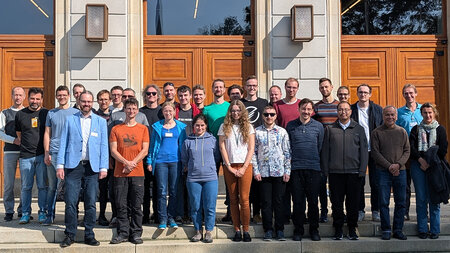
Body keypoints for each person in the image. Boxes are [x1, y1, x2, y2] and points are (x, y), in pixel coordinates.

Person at [56, 91, 108, 248]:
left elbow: (104, 146)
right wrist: (60, 165)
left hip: (92, 168)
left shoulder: (100, 122)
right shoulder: (70, 120)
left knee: (91, 202)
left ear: (93, 103)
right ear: (79, 102)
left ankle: (89, 234)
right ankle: (70, 234)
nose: (86, 104)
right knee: (71, 202)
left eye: (89, 102)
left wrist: (103, 167)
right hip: (73, 166)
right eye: (84, 101)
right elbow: (63, 143)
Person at [321, 101, 368, 241]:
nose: (343, 112)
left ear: (350, 112)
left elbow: (364, 151)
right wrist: (326, 170)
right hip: (335, 173)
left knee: (352, 203)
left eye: (346, 110)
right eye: (341, 110)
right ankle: (338, 229)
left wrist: (362, 170)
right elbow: (325, 151)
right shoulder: (330, 129)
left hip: (354, 173)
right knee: (336, 203)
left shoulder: (358, 129)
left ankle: (352, 229)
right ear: (337, 111)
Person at [109, 98, 149, 245]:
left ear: (137, 110)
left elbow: (144, 150)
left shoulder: (143, 129)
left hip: (137, 172)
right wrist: (126, 162)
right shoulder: (116, 129)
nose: (131, 111)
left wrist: (132, 164)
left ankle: (136, 233)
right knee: (121, 204)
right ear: (124, 110)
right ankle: (123, 233)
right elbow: (113, 150)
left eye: (133, 108)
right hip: (120, 173)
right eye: (128, 108)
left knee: (137, 205)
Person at [286, 98, 324, 241]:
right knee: (298, 202)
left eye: (309, 109)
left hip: (313, 169)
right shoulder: (291, 126)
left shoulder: (319, 126)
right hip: (295, 169)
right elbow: (288, 147)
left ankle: (314, 230)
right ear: (299, 109)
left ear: (312, 111)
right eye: (303, 109)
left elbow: (320, 147)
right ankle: (298, 230)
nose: (306, 112)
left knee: (313, 202)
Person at [409, 102, 448, 240]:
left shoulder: (440, 130)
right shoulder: (415, 130)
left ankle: (435, 230)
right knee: (421, 199)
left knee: (434, 199)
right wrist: (421, 160)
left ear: (434, 113)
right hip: (418, 166)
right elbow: (412, 148)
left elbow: (442, 150)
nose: (428, 115)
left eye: (430, 112)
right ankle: (422, 229)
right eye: (425, 113)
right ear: (421, 114)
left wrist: (430, 162)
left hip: (435, 167)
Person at [371, 106, 410, 240]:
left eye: (392, 115)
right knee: (383, 202)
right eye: (387, 115)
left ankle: (398, 229)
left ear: (396, 116)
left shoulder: (402, 131)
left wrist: (398, 165)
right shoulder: (376, 132)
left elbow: (407, 151)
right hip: (383, 172)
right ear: (383, 116)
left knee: (401, 202)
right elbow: (375, 152)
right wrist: (389, 166)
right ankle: (386, 229)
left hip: (401, 172)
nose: (390, 117)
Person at [218, 100, 255, 242]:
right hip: (230, 166)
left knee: (244, 200)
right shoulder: (223, 126)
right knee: (233, 199)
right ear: (230, 112)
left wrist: (244, 167)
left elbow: (251, 148)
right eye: (233, 110)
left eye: (238, 110)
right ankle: (237, 230)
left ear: (242, 111)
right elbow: (222, 147)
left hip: (246, 165)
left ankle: (246, 229)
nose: (235, 113)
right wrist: (228, 166)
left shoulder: (249, 127)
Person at [146, 102, 187, 229]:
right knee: (161, 191)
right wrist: (149, 161)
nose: (168, 113)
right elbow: (152, 145)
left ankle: (172, 217)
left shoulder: (181, 127)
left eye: (170, 111)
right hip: (160, 162)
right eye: (166, 111)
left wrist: (185, 162)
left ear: (174, 112)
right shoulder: (157, 127)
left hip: (176, 162)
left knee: (174, 191)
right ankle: (162, 218)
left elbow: (184, 146)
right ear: (162, 112)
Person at [253, 106, 291, 241]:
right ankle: (268, 229)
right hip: (263, 173)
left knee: (279, 202)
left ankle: (279, 230)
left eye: (272, 114)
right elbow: (254, 152)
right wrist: (256, 171)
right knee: (266, 203)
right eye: (266, 114)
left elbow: (287, 152)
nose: (269, 117)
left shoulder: (282, 132)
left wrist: (287, 170)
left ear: (276, 116)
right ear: (262, 116)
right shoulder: (256, 132)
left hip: (279, 172)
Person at [181, 114, 220, 243]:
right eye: (197, 125)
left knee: (209, 205)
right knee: (196, 205)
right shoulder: (188, 141)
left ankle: (209, 231)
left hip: (210, 178)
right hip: (193, 178)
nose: (200, 127)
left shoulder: (213, 140)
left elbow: (216, 156)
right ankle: (197, 230)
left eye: (202, 125)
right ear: (193, 126)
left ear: (206, 126)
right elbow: (185, 159)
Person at [43, 85, 78, 225]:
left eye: (64, 95)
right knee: (52, 186)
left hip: (70, 155)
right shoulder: (51, 113)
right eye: (59, 95)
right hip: (54, 153)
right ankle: (49, 215)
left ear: (69, 96)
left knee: (70, 187)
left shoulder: (76, 113)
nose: (62, 97)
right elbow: (47, 133)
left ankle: (70, 216)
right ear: (56, 96)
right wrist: (47, 152)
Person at [15, 87, 49, 224]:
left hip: (41, 155)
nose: (35, 101)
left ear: (42, 99)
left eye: (37, 99)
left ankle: (42, 212)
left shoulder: (47, 113)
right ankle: (25, 213)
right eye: (32, 98)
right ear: (28, 98)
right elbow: (19, 134)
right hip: (25, 156)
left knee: (42, 186)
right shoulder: (20, 114)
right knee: (26, 187)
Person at [350, 84, 383, 222]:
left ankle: (376, 210)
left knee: (376, 182)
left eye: (365, 92)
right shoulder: (351, 109)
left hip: (374, 151)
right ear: (357, 94)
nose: (363, 94)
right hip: (358, 151)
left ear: (370, 94)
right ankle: (360, 210)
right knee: (359, 182)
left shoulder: (377, 110)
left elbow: (382, 129)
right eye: (360, 92)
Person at [241, 75, 268, 225]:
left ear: (257, 87)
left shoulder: (264, 103)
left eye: (254, 85)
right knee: (246, 184)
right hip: (243, 147)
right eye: (249, 85)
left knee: (258, 182)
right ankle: (246, 212)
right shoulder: (240, 103)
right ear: (245, 87)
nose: (252, 88)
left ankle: (257, 213)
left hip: (260, 147)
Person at [202, 79, 231, 221]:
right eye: (216, 87)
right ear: (212, 89)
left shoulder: (230, 107)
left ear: (224, 90)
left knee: (228, 181)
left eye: (221, 87)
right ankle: (209, 213)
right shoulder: (207, 109)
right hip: (212, 148)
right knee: (211, 181)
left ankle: (230, 212)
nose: (218, 89)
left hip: (228, 147)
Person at [313, 78, 339, 224]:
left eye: (326, 87)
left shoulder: (338, 106)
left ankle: (336, 210)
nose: (324, 89)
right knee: (321, 183)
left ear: (332, 87)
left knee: (335, 183)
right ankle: (323, 211)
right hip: (322, 150)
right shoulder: (316, 107)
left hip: (336, 149)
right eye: (321, 87)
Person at [396, 84, 422, 221]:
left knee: (421, 185)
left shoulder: (423, 110)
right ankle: (404, 212)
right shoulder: (399, 112)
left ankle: (423, 213)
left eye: (411, 93)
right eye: (406, 93)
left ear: (416, 94)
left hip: (420, 154)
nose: (409, 95)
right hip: (405, 154)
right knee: (404, 185)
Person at [140, 84, 164, 224]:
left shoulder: (162, 111)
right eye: (148, 94)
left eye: (154, 94)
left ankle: (157, 213)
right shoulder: (140, 112)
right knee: (143, 187)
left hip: (159, 156)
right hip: (143, 155)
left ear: (158, 95)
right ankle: (145, 214)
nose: (151, 96)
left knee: (157, 187)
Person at [0, 87, 25, 221]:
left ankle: (23, 210)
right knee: (9, 183)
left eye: (20, 95)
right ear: (12, 96)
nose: (18, 97)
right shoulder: (5, 113)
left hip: (25, 153)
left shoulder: (28, 112)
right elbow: (0, 133)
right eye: (16, 95)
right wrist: (13, 140)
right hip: (10, 151)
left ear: (24, 97)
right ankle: (9, 211)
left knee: (24, 183)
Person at [94, 89, 113, 226]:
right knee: (100, 189)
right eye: (101, 99)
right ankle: (100, 215)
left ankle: (115, 215)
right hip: (98, 157)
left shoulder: (116, 116)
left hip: (113, 157)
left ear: (110, 101)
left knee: (113, 189)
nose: (103, 102)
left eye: (106, 99)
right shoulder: (93, 116)